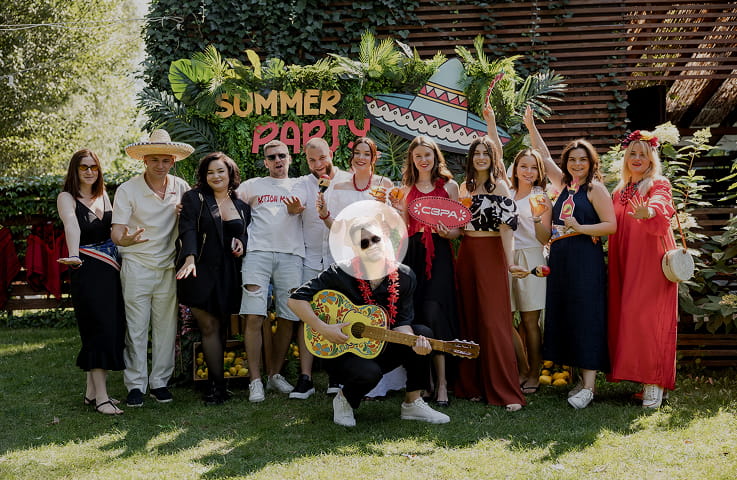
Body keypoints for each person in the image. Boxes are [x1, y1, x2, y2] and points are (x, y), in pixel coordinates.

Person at [287, 213, 450, 427]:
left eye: (375, 239)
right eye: (364, 243)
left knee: (423, 334)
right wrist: (324, 328)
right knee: (369, 374)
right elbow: (295, 299)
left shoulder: (404, 276)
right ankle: (344, 400)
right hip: (341, 348)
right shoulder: (340, 273)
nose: (372, 246)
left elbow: (402, 323)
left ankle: (412, 403)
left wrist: (414, 345)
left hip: (380, 345)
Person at [531, 132, 616, 409]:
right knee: (568, 315)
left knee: (586, 317)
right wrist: (531, 126)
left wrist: (581, 227)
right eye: (572, 159)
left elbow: (611, 225)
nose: (577, 164)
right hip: (561, 260)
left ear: (591, 163)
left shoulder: (594, 189)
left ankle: (589, 387)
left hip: (585, 259)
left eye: (582, 160)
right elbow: (543, 155)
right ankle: (580, 379)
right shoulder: (565, 186)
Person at [112, 129, 193, 407]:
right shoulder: (128, 189)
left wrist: (185, 214)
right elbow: (117, 232)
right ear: (144, 160)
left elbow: (193, 221)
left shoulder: (181, 187)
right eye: (155, 159)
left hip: (168, 266)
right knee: (136, 327)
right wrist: (125, 239)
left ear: (173, 161)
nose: (160, 165)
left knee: (166, 328)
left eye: (165, 160)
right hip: (136, 265)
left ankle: (160, 382)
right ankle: (136, 384)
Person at [455, 105, 527, 411]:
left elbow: (507, 228)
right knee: (469, 317)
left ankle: (506, 391)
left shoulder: (500, 186)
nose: (481, 157)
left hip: (492, 254)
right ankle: (471, 385)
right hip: (467, 255)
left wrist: (509, 262)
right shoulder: (464, 187)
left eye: (486, 153)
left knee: (494, 322)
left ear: (493, 157)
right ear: (471, 158)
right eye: (477, 153)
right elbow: (460, 228)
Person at [607, 131, 677, 408]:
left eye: (643, 155)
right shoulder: (619, 190)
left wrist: (649, 211)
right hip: (624, 260)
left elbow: (661, 203)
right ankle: (643, 377)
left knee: (650, 318)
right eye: (632, 154)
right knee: (629, 317)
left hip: (651, 261)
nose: (637, 159)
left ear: (651, 160)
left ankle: (654, 382)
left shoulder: (658, 183)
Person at [175, 152, 250, 405]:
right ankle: (216, 387)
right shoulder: (194, 198)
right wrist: (189, 257)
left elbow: (244, 232)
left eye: (220, 171)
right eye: (210, 172)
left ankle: (219, 383)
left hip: (228, 273)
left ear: (230, 174)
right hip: (198, 270)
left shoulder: (241, 206)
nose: (215, 176)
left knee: (222, 327)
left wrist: (242, 243)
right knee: (208, 327)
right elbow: (187, 228)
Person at [236, 140, 306, 402]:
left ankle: (275, 375)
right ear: (265, 162)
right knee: (254, 315)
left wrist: (297, 210)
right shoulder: (252, 185)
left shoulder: (301, 185)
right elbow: (225, 202)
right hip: (258, 254)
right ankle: (255, 381)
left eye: (282, 156)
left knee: (289, 317)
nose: (278, 160)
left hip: (292, 256)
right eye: (272, 157)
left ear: (290, 158)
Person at [57, 149, 126, 415]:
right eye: (84, 167)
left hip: (110, 271)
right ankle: (102, 399)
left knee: (110, 327)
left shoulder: (104, 195)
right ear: (74, 170)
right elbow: (71, 225)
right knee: (97, 329)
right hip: (86, 269)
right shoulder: (66, 197)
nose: (89, 172)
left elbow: (115, 231)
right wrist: (74, 254)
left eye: (94, 167)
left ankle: (91, 393)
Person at [395, 135, 460, 407]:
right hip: (413, 254)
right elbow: (402, 229)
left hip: (440, 253)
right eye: (418, 156)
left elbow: (457, 231)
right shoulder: (405, 189)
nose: (423, 160)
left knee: (435, 312)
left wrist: (447, 233)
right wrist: (396, 211)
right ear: (412, 159)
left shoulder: (450, 187)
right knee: (419, 314)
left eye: (427, 155)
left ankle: (443, 382)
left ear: (436, 157)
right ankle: (425, 381)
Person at [290, 138, 351, 399]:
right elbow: (294, 203)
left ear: (331, 154)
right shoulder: (302, 184)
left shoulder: (348, 181)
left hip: (340, 260)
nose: (317, 165)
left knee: (341, 315)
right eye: (312, 160)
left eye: (322, 158)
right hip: (311, 260)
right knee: (307, 317)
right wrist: (294, 207)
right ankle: (305, 377)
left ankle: (337, 376)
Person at [508, 148, 552, 394]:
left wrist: (536, 218)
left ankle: (534, 373)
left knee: (530, 320)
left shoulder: (540, 197)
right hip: (507, 257)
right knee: (505, 318)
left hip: (532, 256)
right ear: (515, 169)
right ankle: (522, 369)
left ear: (539, 172)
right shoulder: (507, 193)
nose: (528, 171)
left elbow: (545, 238)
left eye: (533, 167)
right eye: (523, 166)